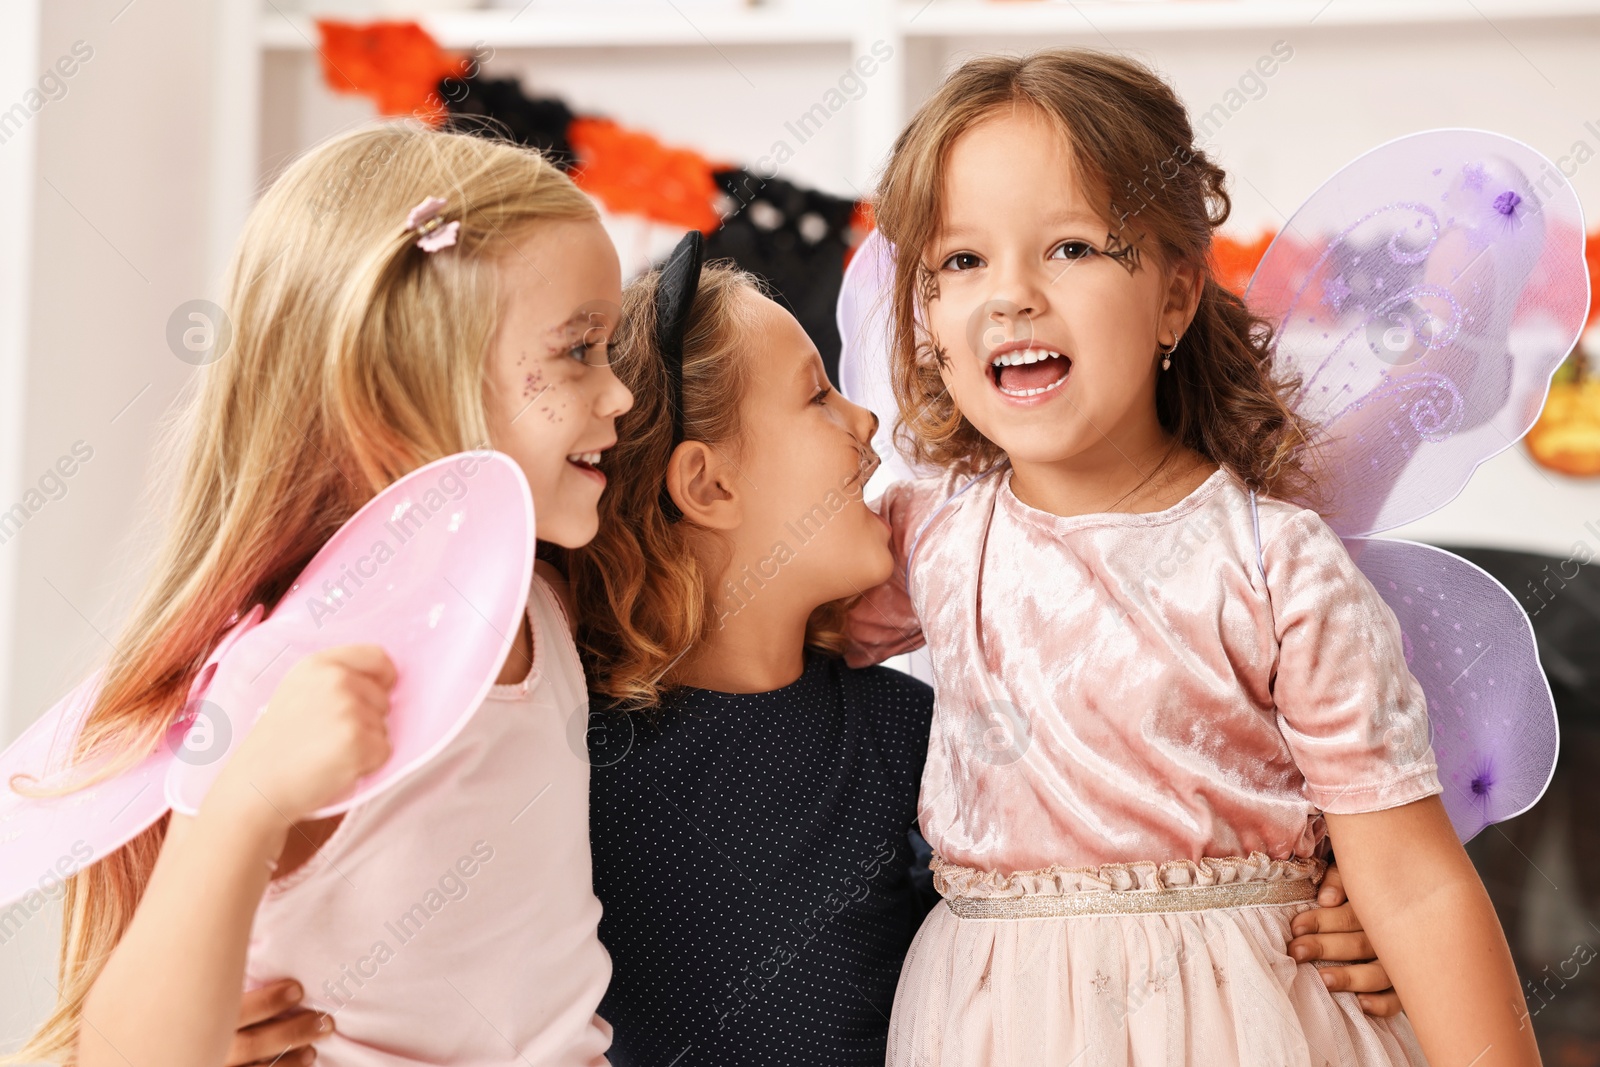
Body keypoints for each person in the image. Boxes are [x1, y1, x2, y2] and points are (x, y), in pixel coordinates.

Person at [846, 49, 1537, 1066]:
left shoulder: (1274, 564)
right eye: (960, 262)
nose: (1011, 296)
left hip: (1244, 1020)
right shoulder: (925, 537)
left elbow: (1416, 882)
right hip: (992, 1023)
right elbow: (728, 623)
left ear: (1173, 298)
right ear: (930, 324)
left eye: (1072, 247)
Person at [572, 247, 1410, 1066]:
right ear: (709, 486)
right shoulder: (577, 752)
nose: (864, 420)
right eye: (817, 395)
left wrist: (1348, 893)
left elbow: (1114, 811)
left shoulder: (900, 730)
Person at [8, 122, 633, 1067]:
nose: (620, 393)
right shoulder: (290, 673)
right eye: (580, 349)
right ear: (402, 387)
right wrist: (249, 799)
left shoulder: (536, 604)